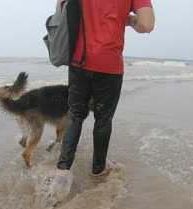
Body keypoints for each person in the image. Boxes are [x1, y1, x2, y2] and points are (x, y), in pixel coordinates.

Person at [55, 0, 155, 176]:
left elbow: (60, 10)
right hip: (109, 63)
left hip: (79, 60)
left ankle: (62, 170)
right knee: (103, 119)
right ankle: (98, 169)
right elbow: (146, 25)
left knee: (75, 114)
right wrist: (129, 20)